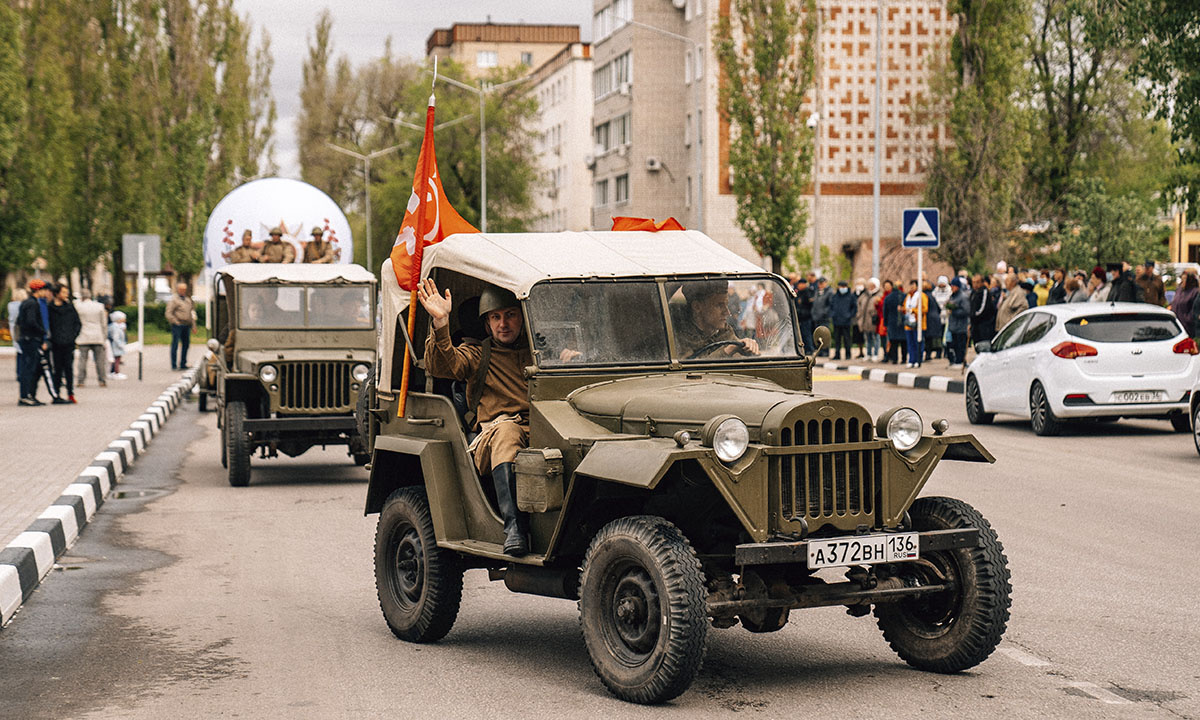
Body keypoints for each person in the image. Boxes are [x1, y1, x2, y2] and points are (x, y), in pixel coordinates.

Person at [418, 279, 534, 556]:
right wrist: (441, 324)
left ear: (522, 318)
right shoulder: (477, 354)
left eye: (510, 315)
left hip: (541, 427)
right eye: (495, 317)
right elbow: (442, 366)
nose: (502, 324)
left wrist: (567, 358)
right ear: (486, 325)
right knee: (508, 433)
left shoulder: (539, 353)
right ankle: (514, 528)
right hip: (494, 434)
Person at [671, 280, 760, 359]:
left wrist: (748, 345)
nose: (727, 312)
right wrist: (729, 350)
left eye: (726, 304)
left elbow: (736, 347)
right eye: (719, 305)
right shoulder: (677, 335)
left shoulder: (724, 332)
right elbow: (689, 370)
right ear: (697, 307)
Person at [16, 280, 55, 405]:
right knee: (29, 368)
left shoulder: (25, 303)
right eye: (44, 290)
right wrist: (43, 331)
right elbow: (31, 321)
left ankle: (26, 395)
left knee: (28, 367)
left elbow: (19, 321)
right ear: (39, 290)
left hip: (25, 338)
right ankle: (25, 396)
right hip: (31, 339)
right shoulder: (33, 304)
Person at [48, 283, 81, 403]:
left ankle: (70, 393)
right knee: (57, 369)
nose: (66, 295)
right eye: (63, 292)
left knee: (68, 369)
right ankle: (56, 393)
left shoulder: (70, 308)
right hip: (56, 344)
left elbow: (77, 323)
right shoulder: (49, 308)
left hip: (68, 343)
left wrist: (72, 336)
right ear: (56, 294)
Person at [75, 288, 108, 388]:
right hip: (97, 335)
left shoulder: (78, 307)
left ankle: (81, 381)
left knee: (83, 359)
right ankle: (102, 380)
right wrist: (104, 337)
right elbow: (104, 323)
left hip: (84, 335)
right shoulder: (99, 306)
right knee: (99, 360)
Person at [166, 282, 195, 370]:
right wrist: (175, 322)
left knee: (186, 345)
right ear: (178, 289)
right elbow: (168, 313)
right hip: (177, 325)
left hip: (187, 325)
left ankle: (183, 363)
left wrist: (193, 325)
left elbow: (192, 313)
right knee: (175, 344)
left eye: (184, 289)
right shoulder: (174, 300)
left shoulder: (188, 300)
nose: (183, 291)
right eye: (181, 289)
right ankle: (174, 365)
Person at [945, 278, 970, 368]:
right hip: (953, 325)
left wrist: (954, 311)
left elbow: (966, 310)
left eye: (953, 286)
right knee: (954, 344)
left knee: (960, 345)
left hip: (961, 325)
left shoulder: (963, 297)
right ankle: (956, 360)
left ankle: (961, 361)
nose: (952, 287)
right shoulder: (952, 296)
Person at [903, 279, 928, 368]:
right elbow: (904, 306)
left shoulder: (922, 296)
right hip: (909, 323)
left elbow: (924, 309)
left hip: (918, 324)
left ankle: (918, 360)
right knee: (910, 343)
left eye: (913, 286)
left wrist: (913, 310)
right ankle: (911, 360)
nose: (911, 288)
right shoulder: (908, 296)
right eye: (910, 286)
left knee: (918, 342)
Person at [828, 280, 855, 361]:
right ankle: (837, 354)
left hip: (846, 321)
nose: (842, 288)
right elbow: (831, 306)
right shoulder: (835, 296)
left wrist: (849, 315)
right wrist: (833, 315)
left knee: (847, 339)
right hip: (837, 321)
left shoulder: (851, 296)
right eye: (841, 287)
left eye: (844, 287)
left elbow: (854, 307)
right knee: (837, 339)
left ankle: (848, 354)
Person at [857, 278, 882, 360]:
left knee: (875, 338)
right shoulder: (865, 295)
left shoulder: (879, 295)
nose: (870, 287)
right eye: (869, 285)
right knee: (867, 338)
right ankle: (868, 353)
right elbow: (859, 305)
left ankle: (875, 354)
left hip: (874, 320)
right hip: (865, 320)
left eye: (872, 285)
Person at [883, 281, 906, 364]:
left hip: (892, 322)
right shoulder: (905, 296)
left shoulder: (888, 298)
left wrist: (885, 323)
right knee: (904, 342)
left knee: (893, 342)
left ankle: (895, 359)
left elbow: (885, 311)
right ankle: (904, 359)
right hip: (903, 322)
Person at [970, 274, 997, 343]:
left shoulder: (984, 291)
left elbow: (983, 308)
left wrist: (974, 315)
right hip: (975, 324)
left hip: (984, 324)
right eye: (973, 282)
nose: (975, 285)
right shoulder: (973, 292)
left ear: (982, 283)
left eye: (977, 282)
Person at [1170, 273, 1199, 338]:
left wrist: (1187, 319)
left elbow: (1195, 308)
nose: (1182, 281)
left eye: (1185, 279)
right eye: (1182, 279)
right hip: (1176, 323)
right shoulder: (1179, 289)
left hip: (1187, 326)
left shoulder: (1194, 292)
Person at [8, 288, 26, 381]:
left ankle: (18, 372)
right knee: (23, 352)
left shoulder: (10, 305)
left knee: (18, 351)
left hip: (12, 328)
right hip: (20, 328)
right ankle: (22, 372)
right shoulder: (23, 305)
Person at [922, 278, 943, 361]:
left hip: (928, 318)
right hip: (935, 317)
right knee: (932, 338)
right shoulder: (932, 296)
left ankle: (927, 355)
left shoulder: (924, 296)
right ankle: (934, 354)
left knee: (927, 338)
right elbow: (939, 308)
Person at [811, 278, 832, 356]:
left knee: (825, 334)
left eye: (822, 283)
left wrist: (824, 313)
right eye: (819, 283)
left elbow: (829, 305)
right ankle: (820, 350)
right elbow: (815, 304)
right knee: (818, 335)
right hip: (817, 317)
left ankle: (825, 351)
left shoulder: (829, 292)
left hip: (824, 317)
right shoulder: (817, 292)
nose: (820, 285)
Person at [794, 276, 814, 353]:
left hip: (806, 317)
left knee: (807, 334)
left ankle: (810, 349)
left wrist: (804, 312)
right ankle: (804, 349)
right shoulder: (798, 293)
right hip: (800, 317)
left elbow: (809, 305)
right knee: (801, 334)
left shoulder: (808, 292)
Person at [108, 311, 127, 379]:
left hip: (116, 346)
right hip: (116, 346)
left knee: (116, 359)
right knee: (116, 360)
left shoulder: (118, 326)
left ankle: (114, 372)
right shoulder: (115, 327)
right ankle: (116, 372)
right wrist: (121, 345)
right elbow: (115, 338)